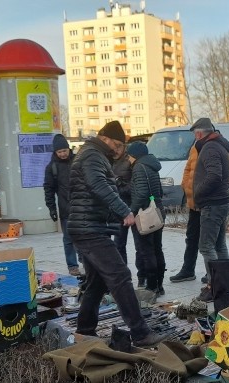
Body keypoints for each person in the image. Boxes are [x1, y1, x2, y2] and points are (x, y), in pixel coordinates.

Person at [66, 121, 165, 347]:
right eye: (118, 145)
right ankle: (140, 333)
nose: (119, 151)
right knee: (120, 275)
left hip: (89, 226)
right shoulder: (92, 155)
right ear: (106, 138)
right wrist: (124, 211)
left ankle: (85, 329)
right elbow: (98, 186)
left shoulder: (92, 154)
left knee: (98, 282)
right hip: (88, 229)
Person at [190, 118, 229, 302]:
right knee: (219, 245)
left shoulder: (210, 148)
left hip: (213, 204)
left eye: (194, 135)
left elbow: (214, 175)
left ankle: (214, 286)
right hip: (220, 202)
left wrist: (197, 192)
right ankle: (225, 283)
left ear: (199, 134)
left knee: (206, 246)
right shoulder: (218, 145)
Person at [126, 142, 166, 297]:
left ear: (135, 155)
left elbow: (142, 193)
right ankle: (160, 285)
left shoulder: (138, 167)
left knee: (147, 251)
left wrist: (132, 210)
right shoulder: (152, 166)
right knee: (157, 249)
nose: (128, 159)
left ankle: (151, 287)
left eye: (129, 155)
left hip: (145, 214)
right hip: (158, 211)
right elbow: (160, 191)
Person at [43, 134, 81, 276]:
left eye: (64, 151)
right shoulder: (51, 168)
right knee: (68, 238)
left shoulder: (78, 162)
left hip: (82, 206)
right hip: (65, 208)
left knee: (85, 235)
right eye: (59, 152)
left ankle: (86, 259)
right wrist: (51, 208)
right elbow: (48, 189)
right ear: (55, 152)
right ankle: (72, 265)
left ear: (68, 149)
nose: (63, 154)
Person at [169, 140, 202, 283]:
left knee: (211, 242)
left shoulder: (218, 147)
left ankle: (214, 273)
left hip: (209, 204)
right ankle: (188, 270)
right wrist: (185, 186)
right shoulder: (194, 147)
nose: (196, 136)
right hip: (194, 202)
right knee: (191, 237)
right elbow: (188, 169)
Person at [111, 143, 134, 272]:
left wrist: (120, 184)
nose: (115, 150)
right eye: (114, 147)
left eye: (118, 147)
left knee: (140, 246)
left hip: (132, 207)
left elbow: (136, 184)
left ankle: (143, 278)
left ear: (124, 147)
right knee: (118, 245)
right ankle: (123, 273)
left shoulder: (130, 161)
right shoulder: (107, 160)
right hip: (116, 209)